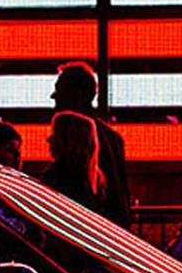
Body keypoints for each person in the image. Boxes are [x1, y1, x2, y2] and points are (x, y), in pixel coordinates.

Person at [51, 62, 130, 226]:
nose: (54, 96)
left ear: (76, 95)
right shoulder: (113, 138)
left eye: (60, 90)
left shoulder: (76, 140)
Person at [41, 112, 108, 217]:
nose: (49, 139)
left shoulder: (57, 176)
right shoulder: (96, 179)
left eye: (55, 134)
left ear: (68, 141)